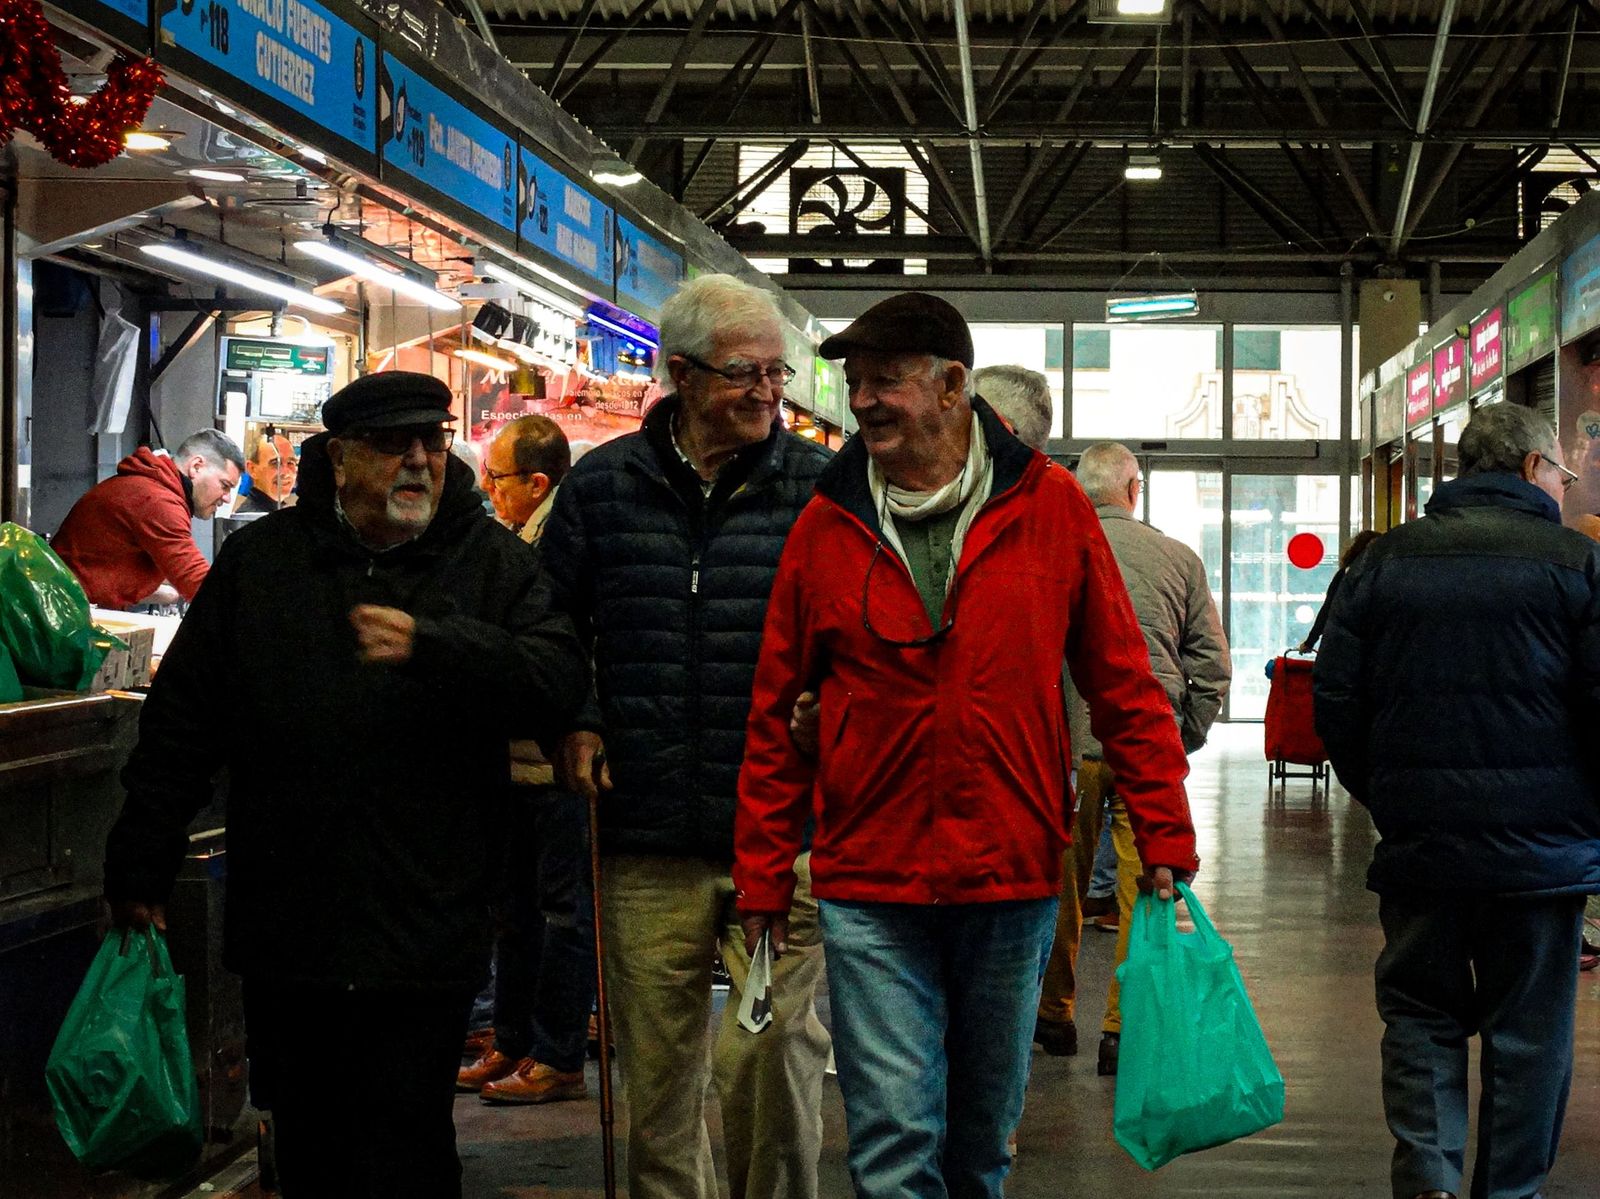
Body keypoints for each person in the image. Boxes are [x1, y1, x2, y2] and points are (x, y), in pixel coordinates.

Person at [734, 292, 1199, 1199]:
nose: (862, 400)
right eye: (855, 381)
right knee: (895, 1145)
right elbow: (774, 710)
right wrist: (761, 873)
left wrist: (1167, 838)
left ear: (953, 385)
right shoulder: (827, 524)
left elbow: (1124, 687)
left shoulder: (1052, 508)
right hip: (870, 878)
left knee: (981, 1146)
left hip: (1011, 873)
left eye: (886, 381)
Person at [103, 371, 588, 1198]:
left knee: (410, 1146)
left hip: (428, 918)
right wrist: (143, 853)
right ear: (339, 458)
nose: (419, 461)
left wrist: (436, 644)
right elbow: (184, 721)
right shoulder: (263, 564)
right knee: (309, 1144)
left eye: (432, 442)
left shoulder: (491, 562)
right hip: (294, 920)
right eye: (394, 445)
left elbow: (557, 676)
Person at [540, 274, 833, 1199]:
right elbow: (550, 627)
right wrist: (578, 717)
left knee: (776, 1058)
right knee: (657, 1082)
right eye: (743, 373)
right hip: (645, 832)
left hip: (784, 835)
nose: (766, 393)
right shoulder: (602, 487)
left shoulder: (823, 493)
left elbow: (861, 634)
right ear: (683, 375)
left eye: (776, 374)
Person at [1314, 402, 1600, 1199]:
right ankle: (1508, 1190)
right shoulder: (1577, 564)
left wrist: (1393, 794)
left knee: (1420, 1013)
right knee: (1530, 1035)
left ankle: (1431, 1180)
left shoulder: (1384, 562)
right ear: (1531, 469)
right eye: (1560, 472)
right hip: (1544, 858)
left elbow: (1336, 700)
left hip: (1421, 848)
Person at [1035, 442, 1231, 1075]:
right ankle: (1120, 1028)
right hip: (1147, 748)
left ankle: (1055, 1013)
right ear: (1133, 489)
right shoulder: (1178, 558)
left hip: (1069, 748)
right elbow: (1210, 664)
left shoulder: (1048, 551)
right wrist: (1182, 736)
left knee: (1058, 883)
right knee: (1145, 887)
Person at [457, 413, 594, 1105]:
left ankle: (557, 1052)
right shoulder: (514, 540)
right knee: (514, 913)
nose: (490, 489)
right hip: (511, 765)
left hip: (555, 769)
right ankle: (511, 1039)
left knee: (561, 915)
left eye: (499, 478)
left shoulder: (560, 544)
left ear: (537, 483)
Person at [52, 428, 243, 608]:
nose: (226, 498)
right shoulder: (157, 500)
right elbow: (199, 583)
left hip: (66, 604)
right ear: (196, 466)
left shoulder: (152, 487)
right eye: (224, 485)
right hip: (60, 612)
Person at [1296, 529, 1380, 652]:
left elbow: (1328, 608)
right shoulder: (1384, 576)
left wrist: (1310, 641)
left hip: (1345, 639)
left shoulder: (1346, 574)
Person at [235, 430, 298, 515]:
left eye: (291, 463)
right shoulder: (252, 519)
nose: (286, 473)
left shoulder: (275, 512)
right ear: (252, 469)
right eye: (275, 463)